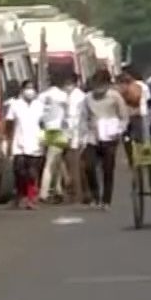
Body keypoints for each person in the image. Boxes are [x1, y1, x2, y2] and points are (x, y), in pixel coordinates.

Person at [84, 70, 128, 210]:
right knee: (89, 166)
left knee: (107, 169)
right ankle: (95, 195)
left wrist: (119, 130)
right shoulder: (88, 98)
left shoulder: (114, 96)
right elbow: (83, 117)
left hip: (110, 137)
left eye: (101, 85)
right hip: (92, 136)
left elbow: (124, 116)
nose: (98, 88)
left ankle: (106, 199)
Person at [5, 81, 47, 209]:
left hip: (36, 142)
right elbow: (9, 123)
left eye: (32, 88)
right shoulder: (15, 105)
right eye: (27, 88)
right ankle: (20, 195)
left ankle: (31, 197)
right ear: (22, 90)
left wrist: (45, 139)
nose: (30, 91)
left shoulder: (39, 105)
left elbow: (44, 123)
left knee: (32, 172)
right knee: (20, 171)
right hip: (19, 143)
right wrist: (8, 141)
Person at [37, 70, 72, 203]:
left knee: (55, 160)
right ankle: (44, 192)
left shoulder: (42, 96)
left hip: (46, 130)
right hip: (58, 130)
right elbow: (68, 114)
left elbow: (39, 115)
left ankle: (58, 190)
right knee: (51, 162)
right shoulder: (63, 96)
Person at [64, 72, 90, 205]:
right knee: (77, 167)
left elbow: (75, 119)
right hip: (75, 135)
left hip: (77, 136)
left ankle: (78, 195)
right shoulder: (72, 96)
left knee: (75, 167)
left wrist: (74, 138)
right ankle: (84, 193)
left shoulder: (78, 97)